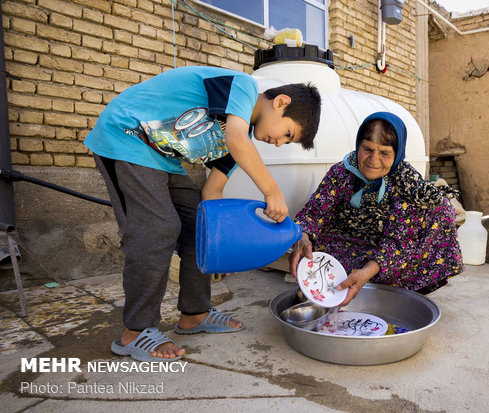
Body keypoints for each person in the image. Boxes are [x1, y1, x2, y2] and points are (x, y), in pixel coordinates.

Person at [84, 66, 321, 361]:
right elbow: (237, 139)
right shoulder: (243, 87)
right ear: (281, 102)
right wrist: (271, 192)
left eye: (287, 142)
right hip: (126, 136)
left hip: (161, 159)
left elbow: (212, 193)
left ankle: (194, 314)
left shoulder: (236, 140)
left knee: (199, 227)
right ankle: (135, 332)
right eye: (288, 133)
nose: (280, 142)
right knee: (157, 228)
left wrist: (223, 248)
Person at [290, 112, 462, 306]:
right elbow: (314, 212)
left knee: (440, 210)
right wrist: (303, 236)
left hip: (389, 253)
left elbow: (398, 242)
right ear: (358, 146)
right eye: (367, 149)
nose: (373, 160)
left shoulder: (405, 184)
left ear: (397, 154)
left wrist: (367, 272)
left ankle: (392, 284)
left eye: (384, 153)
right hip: (343, 245)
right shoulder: (341, 172)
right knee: (326, 276)